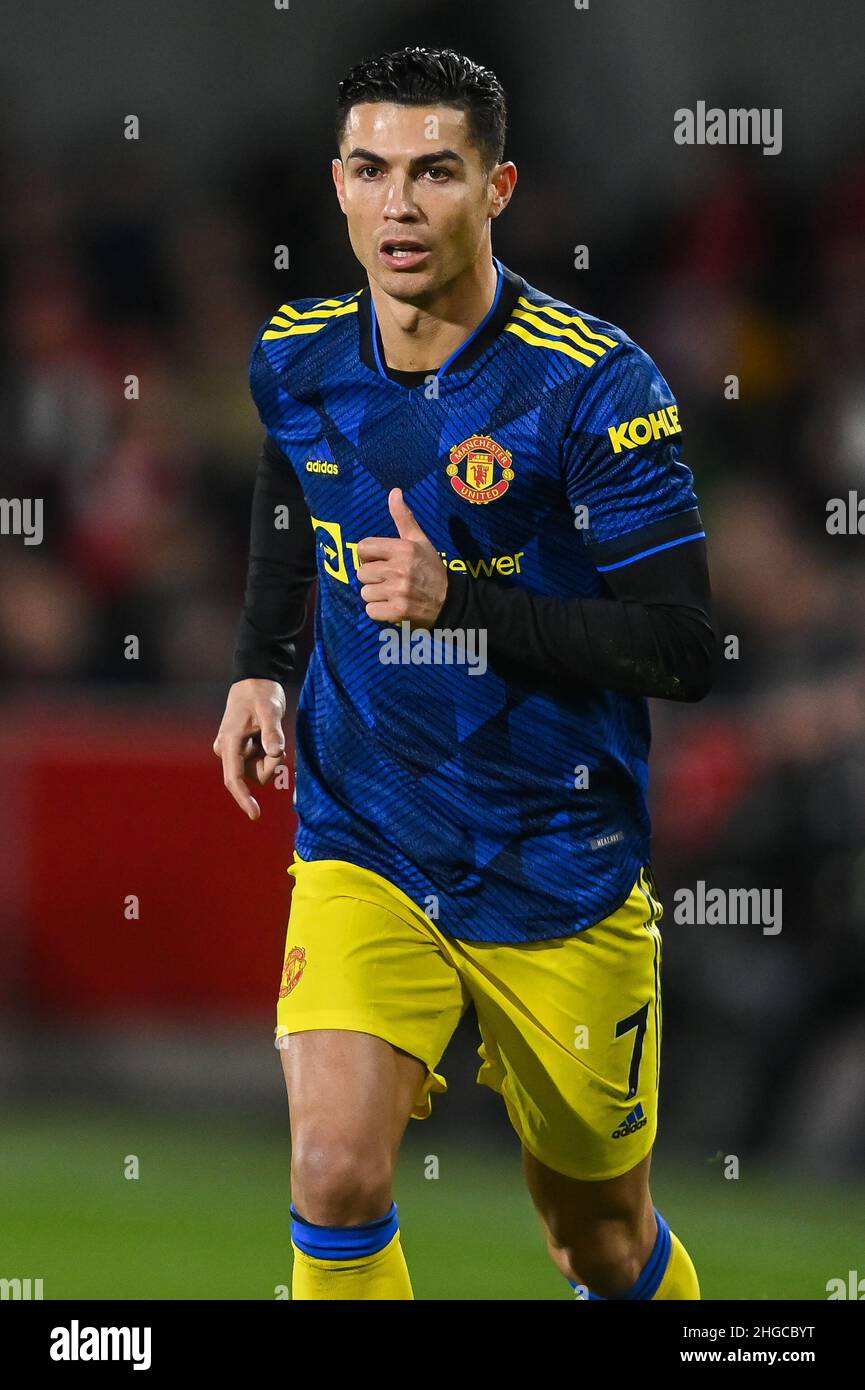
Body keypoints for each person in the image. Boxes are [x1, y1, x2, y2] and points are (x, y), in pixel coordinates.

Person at [213, 45, 716, 1301]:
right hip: (364, 833)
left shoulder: (593, 385)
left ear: (496, 188)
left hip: (557, 863)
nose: (399, 205)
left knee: (595, 1239)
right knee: (332, 1169)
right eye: (373, 171)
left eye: (435, 171)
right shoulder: (296, 355)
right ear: (337, 186)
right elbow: (293, 490)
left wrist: (462, 604)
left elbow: (681, 645)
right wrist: (261, 668)